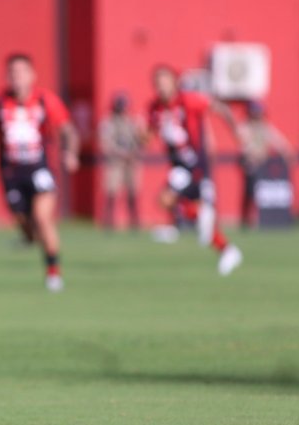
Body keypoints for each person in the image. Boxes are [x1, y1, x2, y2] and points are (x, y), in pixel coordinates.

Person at [0, 54, 79, 292]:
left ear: (32, 75)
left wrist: (71, 153)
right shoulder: (0, 102)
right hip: (11, 172)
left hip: (39, 168)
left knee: (42, 218)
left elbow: (68, 130)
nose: (17, 78)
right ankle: (30, 237)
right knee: (22, 221)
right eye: (12, 73)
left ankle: (53, 271)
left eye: (22, 72)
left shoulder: (45, 100)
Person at [147, 66, 242, 275]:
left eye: (165, 82)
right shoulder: (155, 108)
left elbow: (220, 109)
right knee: (204, 228)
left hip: (194, 162)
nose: (162, 87)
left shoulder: (188, 100)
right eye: (158, 83)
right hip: (178, 163)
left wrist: (237, 133)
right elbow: (149, 134)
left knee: (165, 199)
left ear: (174, 82)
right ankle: (228, 250)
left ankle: (179, 224)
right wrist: (140, 137)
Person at [237, 101, 294, 228]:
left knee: (266, 190)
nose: (257, 115)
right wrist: (255, 154)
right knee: (251, 191)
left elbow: (278, 141)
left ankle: (267, 217)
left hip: (265, 165)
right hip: (251, 164)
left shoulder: (265, 127)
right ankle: (249, 218)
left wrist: (287, 151)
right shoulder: (244, 127)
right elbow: (244, 146)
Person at [98, 93, 144, 231]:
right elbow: (106, 143)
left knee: (133, 192)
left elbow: (140, 142)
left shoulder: (133, 122)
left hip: (131, 161)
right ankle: (109, 222)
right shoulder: (108, 122)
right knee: (111, 192)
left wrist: (136, 146)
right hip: (115, 162)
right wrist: (120, 153)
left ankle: (134, 222)